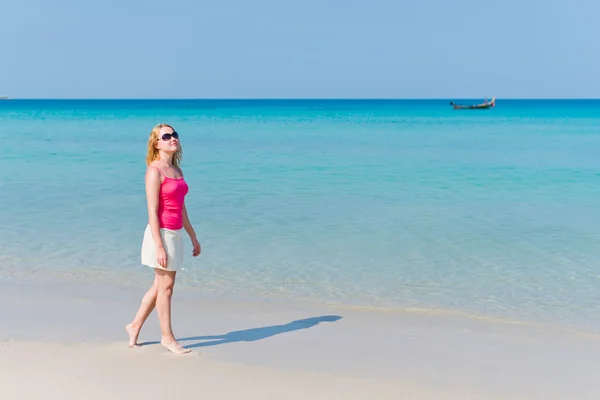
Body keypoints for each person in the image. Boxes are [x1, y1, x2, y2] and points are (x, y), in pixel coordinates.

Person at [125, 123, 201, 354]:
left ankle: (134, 325)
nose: (172, 139)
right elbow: (152, 210)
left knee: (159, 285)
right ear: (157, 144)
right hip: (161, 234)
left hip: (175, 234)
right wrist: (159, 245)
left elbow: (182, 207)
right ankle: (167, 337)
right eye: (166, 136)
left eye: (174, 135)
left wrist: (193, 236)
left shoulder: (177, 171)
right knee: (166, 287)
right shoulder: (153, 171)